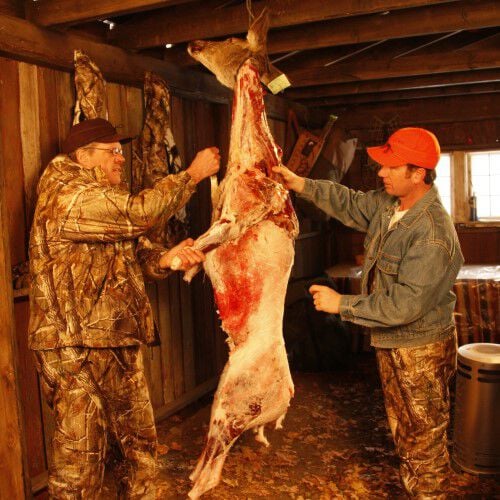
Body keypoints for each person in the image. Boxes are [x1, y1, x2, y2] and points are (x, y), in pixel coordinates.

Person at [29, 118, 220, 498]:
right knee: (79, 464)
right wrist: (192, 175)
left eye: (122, 151)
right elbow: (139, 214)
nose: (121, 159)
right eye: (112, 152)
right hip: (74, 350)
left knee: (137, 452)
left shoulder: (99, 196)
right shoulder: (68, 196)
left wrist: (165, 259)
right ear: (84, 157)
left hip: (115, 341)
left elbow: (131, 248)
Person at [274, 127, 463, 498]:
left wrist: (341, 304)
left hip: (419, 350)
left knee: (424, 443)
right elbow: (350, 203)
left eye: (392, 167)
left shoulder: (432, 233)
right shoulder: (391, 205)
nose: (381, 173)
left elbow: (404, 305)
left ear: (418, 173)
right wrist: (300, 183)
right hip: (395, 343)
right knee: (405, 434)